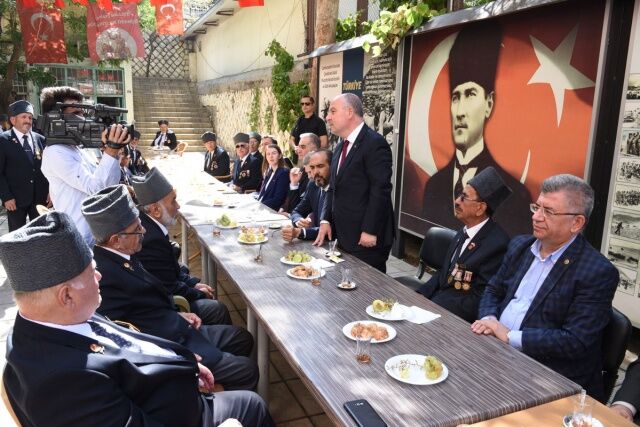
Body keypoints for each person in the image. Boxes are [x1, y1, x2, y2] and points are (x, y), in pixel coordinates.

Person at [0, 211, 274, 427]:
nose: (100, 276)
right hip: (189, 416)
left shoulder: (56, 320)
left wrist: (184, 362)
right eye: (92, 272)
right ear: (66, 295)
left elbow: (126, 338)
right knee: (253, 405)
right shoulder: (61, 384)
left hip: (175, 386)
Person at [81, 185, 258, 390]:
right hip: (173, 346)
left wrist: (178, 314)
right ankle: (218, 399)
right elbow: (127, 336)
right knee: (247, 369)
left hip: (176, 326)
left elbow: (148, 303)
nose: (143, 230)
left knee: (242, 338)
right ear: (116, 240)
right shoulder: (105, 278)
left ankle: (222, 386)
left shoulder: (122, 254)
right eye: (137, 229)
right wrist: (174, 355)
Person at [471, 174, 619, 401]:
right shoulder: (521, 245)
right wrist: (489, 321)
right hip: (495, 351)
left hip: (548, 377)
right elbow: (493, 289)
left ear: (577, 223)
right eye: (536, 207)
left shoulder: (597, 272)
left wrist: (510, 336)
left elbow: (575, 340)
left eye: (548, 211)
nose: (536, 217)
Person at [422, 22, 531, 237]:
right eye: (455, 97)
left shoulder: (513, 194)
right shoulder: (433, 186)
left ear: (489, 104)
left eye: (470, 94)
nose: (460, 111)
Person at [133, 167, 231, 326]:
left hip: (162, 296)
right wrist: (199, 293)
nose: (178, 206)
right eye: (173, 201)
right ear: (156, 210)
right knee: (218, 309)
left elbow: (170, 271)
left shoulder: (151, 225)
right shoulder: (151, 239)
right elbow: (169, 286)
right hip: (165, 309)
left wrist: (193, 283)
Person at [417, 167, 511, 323]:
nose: (457, 201)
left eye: (464, 198)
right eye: (460, 195)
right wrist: (420, 295)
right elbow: (445, 273)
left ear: (480, 208)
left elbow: (480, 299)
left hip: (456, 320)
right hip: (438, 306)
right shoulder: (465, 230)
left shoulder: (497, 245)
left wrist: (435, 306)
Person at [314, 93, 395, 273]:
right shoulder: (340, 147)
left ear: (349, 112)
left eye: (333, 111)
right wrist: (325, 219)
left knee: (367, 287)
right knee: (344, 284)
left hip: (366, 239)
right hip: (344, 236)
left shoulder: (375, 143)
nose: (327, 117)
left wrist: (370, 230)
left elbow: (380, 189)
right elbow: (332, 187)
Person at [42, 114, 129, 245]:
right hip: (78, 233)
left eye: (82, 113)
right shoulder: (55, 151)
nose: (81, 118)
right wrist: (111, 151)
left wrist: (113, 152)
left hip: (95, 228)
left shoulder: (79, 148)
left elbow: (108, 186)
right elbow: (95, 189)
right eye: (75, 113)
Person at [0, 100, 49, 231]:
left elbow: (48, 169)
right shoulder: (3, 140)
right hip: (15, 200)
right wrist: (6, 197)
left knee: (41, 234)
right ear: (13, 120)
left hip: (39, 198)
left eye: (30, 117)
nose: (28, 120)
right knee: (17, 237)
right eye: (24, 117)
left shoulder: (40, 139)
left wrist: (50, 191)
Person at [283, 149, 332, 242]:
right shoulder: (313, 185)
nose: (315, 172)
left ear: (332, 166)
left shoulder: (340, 190)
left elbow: (331, 230)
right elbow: (296, 211)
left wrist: (300, 232)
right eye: (312, 168)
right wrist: (299, 221)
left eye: (320, 166)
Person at [280, 132, 321, 214]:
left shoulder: (320, 175)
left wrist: (291, 215)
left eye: (302, 147)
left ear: (314, 148)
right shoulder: (301, 170)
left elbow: (308, 207)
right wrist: (283, 208)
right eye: (298, 147)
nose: (298, 150)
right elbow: (291, 199)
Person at [290, 96, 328, 164]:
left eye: (307, 104)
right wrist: (295, 147)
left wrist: (314, 154)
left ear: (313, 105)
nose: (304, 106)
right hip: (298, 159)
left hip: (312, 159)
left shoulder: (319, 122)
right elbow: (291, 139)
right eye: (302, 104)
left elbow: (324, 143)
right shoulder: (298, 121)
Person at [257, 144, 290, 211]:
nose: (271, 156)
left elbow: (278, 199)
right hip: (262, 207)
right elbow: (263, 193)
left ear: (280, 156)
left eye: (274, 153)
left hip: (272, 210)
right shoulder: (269, 172)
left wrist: (259, 205)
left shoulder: (283, 172)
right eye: (268, 154)